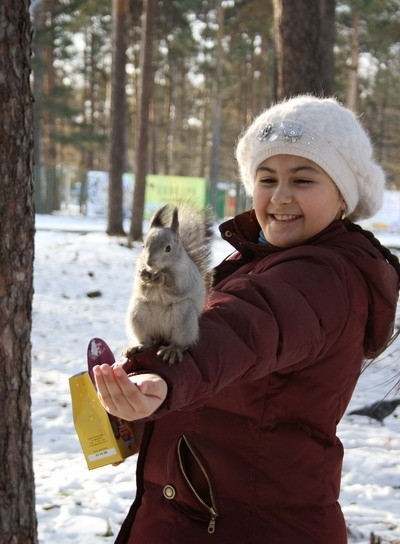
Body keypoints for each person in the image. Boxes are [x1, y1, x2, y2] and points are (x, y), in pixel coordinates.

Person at [93, 95, 400, 544]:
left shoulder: (322, 277)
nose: (280, 196)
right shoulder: (263, 260)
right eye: (267, 177)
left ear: (342, 197)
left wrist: (165, 374)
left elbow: (246, 327)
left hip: (249, 524)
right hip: (214, 513)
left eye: (303, 179)